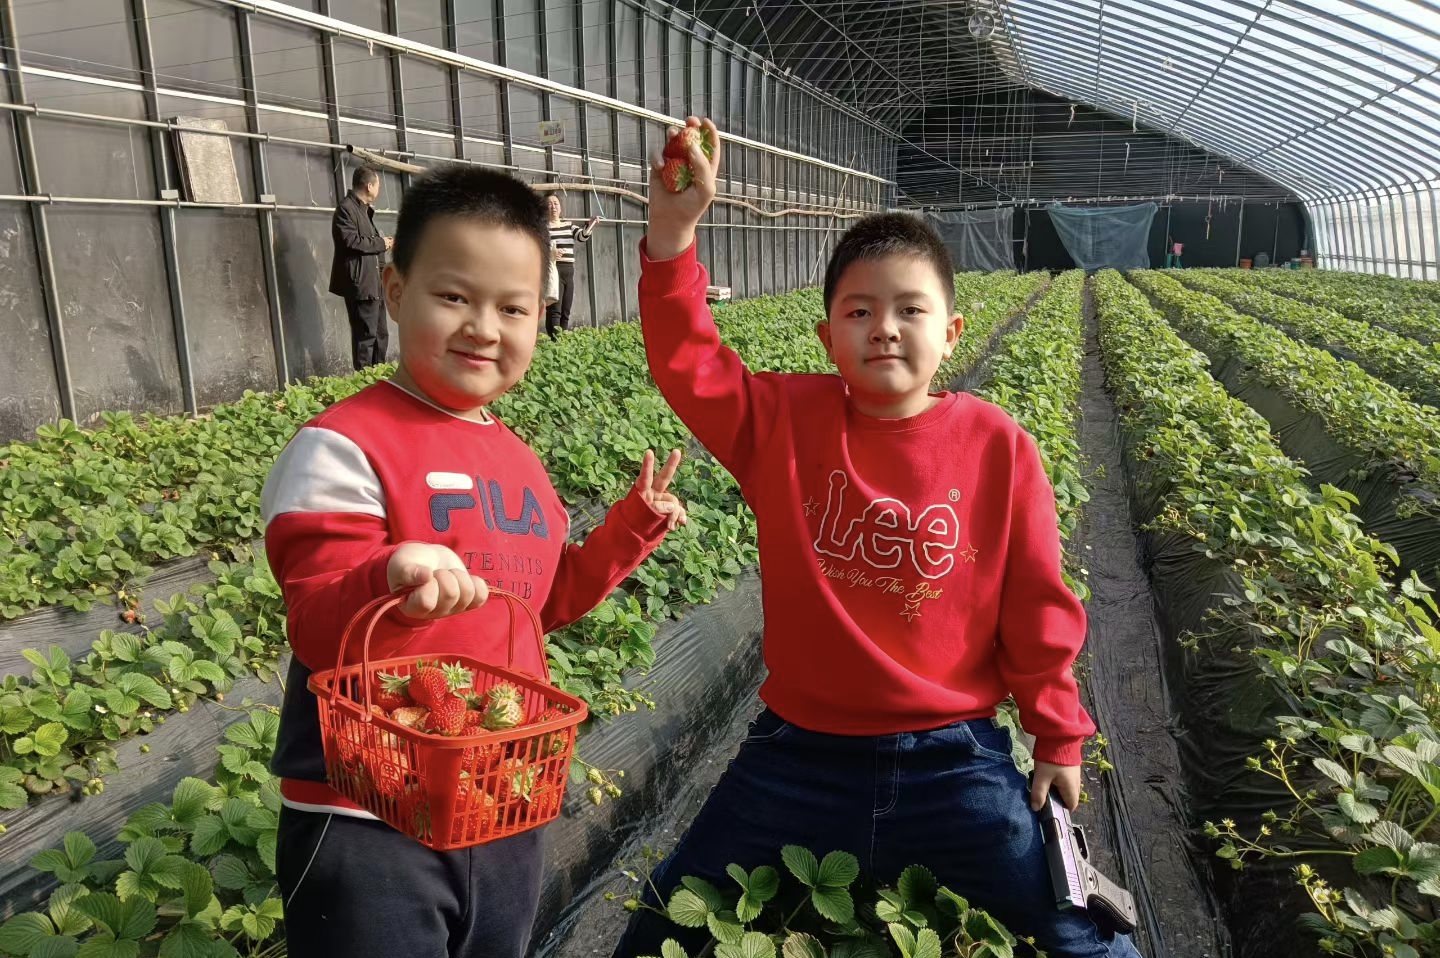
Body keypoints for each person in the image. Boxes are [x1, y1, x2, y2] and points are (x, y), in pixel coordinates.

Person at [613, 117, 1140, 958]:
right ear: (828, 337)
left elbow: (1036, 600)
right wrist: (674, 234)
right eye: (859, 311)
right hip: (796, 757)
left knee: (1077, 934)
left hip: (954, 759)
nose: (884, 327)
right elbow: (690, 362)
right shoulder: (782, 424)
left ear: (951, 332)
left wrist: (1058, 734)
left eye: (909, 309)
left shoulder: (997, 447)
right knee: (661, 926)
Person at [265, 164, 689, 958]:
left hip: (501, 797)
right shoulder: (343, 446)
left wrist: (631, 528)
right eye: (455, 297)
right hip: (370, 812)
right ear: (395, 291)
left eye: (513, 307)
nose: (484, 328)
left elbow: (540, 603)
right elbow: (317, 621)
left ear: (541, 315)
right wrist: (388, 576)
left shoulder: (520, 463)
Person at [330, 166, 394, 369]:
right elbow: (350, 241)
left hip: (374, 283)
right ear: (369, 186)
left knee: (380, 334)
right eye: (378, 186)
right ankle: (364, 381)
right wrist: (380, 243)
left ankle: (379, 376)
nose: (379, 190)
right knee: (365, 337)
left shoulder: (363, 210)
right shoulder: (346, 209)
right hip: (361, 284)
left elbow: (367, 243)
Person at [544, 193, 599, 338]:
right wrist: (551, 253)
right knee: (555, 308)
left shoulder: (568, 225)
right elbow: (537, 249)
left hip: (569, 271)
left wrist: (591, 224)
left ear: (560, 207)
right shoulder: (543, 228)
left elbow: (582, 236)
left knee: (566, 309)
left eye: (556, 203)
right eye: (549, 204)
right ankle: (554, 341)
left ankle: (562, 340)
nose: (553, 207)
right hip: (553, 270)